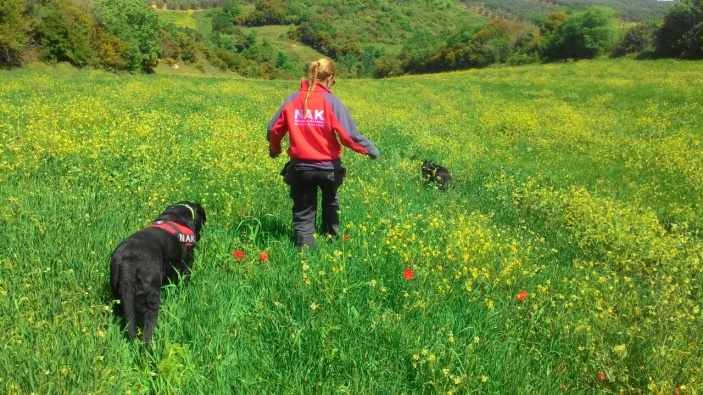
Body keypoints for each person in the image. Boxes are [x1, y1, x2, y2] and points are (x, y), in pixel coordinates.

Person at [267, 58, 379, 249]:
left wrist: (274, 149)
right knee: (331, 205)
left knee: (304, 210)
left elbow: (273, 130)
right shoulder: (332, 101)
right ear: (330, 78)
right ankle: (331, 242)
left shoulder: (293, 99)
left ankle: (305, 250)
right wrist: (370, 149)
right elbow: (349, 135)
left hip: (301, 168)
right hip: (329, 168)